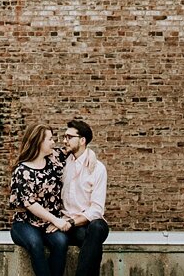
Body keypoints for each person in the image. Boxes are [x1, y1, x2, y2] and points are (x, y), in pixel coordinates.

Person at [9, 124, 71, 276]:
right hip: (25, 223)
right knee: (35, 244)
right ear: (38, 142)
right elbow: (29, 203)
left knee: (61, 243)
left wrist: (90, 154)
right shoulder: (22, 171)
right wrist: (56, 220)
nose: (53, 142)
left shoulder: (54, 158)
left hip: (49, 224)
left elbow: (76, 150)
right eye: (49, 139)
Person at [60, 118, 109, 276]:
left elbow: (97, 210)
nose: (64, 140)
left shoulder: (97, 168)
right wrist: (68, 223)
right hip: (71, 228)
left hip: (87, 224)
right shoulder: (61, 163)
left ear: (82, 140)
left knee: (97, 228)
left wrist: (72, 221)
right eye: (64, 136)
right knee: (92, 242)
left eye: (69, 137)